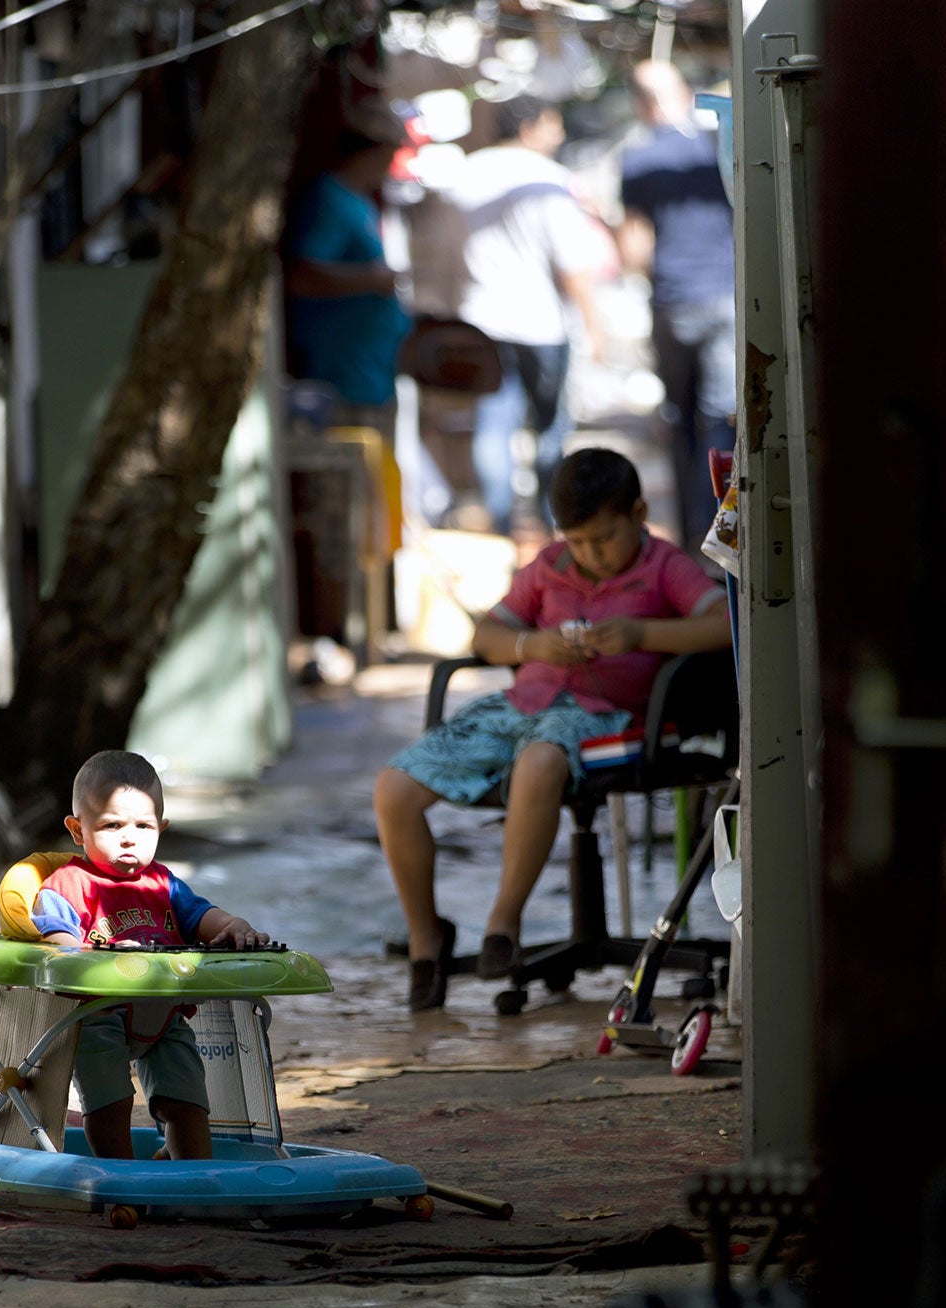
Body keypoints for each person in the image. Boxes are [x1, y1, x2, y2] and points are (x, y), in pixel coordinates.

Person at [373, 448, 730, 1012]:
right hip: (520, 707)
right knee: (394, 790)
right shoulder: (549, 566)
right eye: (576, 540)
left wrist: (641, 634)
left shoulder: (664, 567)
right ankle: (427, 936)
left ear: (638, 513)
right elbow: (487, 635)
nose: (589, 554)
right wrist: (530, 645)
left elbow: (724, 623)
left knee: (541, 760)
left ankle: (503, 923)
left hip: (609, 720)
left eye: (603, 538)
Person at [31, 750, 271, 1160]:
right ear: (77, 829)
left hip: (164, 1014)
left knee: (187, 1104)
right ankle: (119, 1177)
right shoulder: (66, 884)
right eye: (111, 825)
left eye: (143, 825)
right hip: (95, 1017)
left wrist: (233, 926)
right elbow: (58, 943)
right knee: (111, 1105)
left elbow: (201, 915)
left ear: (162, 827)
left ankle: (194, 1177)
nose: (129, 837)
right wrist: (98, 953)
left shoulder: (163, 883)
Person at [440, 95, 606, 535]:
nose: (561, 135)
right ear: (530, 127)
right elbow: (572, 265)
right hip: (540, 323)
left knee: (493, 425)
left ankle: (500, 527)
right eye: (554, 125)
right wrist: (593, 325)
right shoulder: (549, 179)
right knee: (549, 428)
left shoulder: (466, 173)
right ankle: (554, 526)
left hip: (480, 319)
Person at [618, 60, 737, 555]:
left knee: (681, 421)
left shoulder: (638, 159)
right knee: (721, 420)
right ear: (685, 92)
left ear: (642, 104)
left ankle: (693, 536)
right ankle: (724, 540)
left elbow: (633, 248)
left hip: (673, 303)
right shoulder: (719, 147)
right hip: (727, 298)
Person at [283, 109, 415, 430]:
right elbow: (302, 277)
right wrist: (372, 279)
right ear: (374, 149)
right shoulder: (330, 198)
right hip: (341, 382)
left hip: (370, 378)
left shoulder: (360, 201)